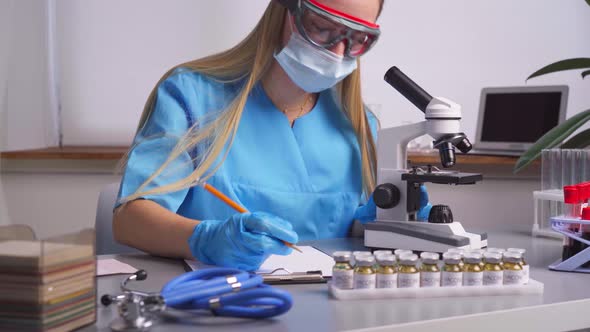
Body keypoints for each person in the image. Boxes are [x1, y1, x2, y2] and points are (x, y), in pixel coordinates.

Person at [113, 0, 431, 271]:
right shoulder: (192, 96)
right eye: (321, 27)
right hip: (211, 303)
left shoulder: (360, 126)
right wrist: (206, 239)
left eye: (356, 38)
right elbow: (130, 220)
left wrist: (383, 223)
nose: (337, 51)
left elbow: (348, 234)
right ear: (285, 10)